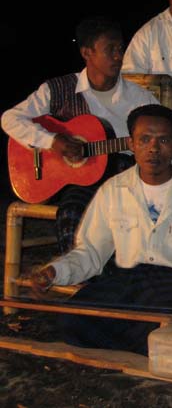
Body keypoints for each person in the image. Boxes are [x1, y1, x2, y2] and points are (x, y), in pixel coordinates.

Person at [30, 104, 172, 355]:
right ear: (131, 144)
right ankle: (153, 346)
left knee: (166, 320)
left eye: (163, 140)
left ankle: (153, 343)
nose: (153, 148)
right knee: (70, 321)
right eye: (145, 139)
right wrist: (54, 272)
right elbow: (90, 252)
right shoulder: (113, 190)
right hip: (128, 280)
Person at [1, 17, 158, 253]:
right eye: (110, 50)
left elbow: (162, 134)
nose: (118, 56)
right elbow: (10, 119)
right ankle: (84, 280)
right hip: (76, 182)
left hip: (124, 177)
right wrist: (52, 141)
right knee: (72, 215)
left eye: (120, 49)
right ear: (87, 53)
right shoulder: (58, 89)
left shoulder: (140, 98)